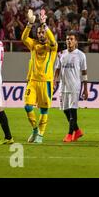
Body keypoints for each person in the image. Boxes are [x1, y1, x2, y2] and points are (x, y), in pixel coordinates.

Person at [21, 9, 58, 144]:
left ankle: (41, 135)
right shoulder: (33, 45)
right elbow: (24, 38)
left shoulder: (51, 47)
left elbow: (53, 41)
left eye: (42, 32)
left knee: (44, 110)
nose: (41, 34)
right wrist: (29, 25)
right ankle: (35, 129)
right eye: (39, 33)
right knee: (28, 107)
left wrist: (45, 25)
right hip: (33, 81)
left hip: (46, 82)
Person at [54, 32, 88, 142]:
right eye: (67, 39)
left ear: (76, 41)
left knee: (73, 111)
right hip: (63, 86)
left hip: (75, 86)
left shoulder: (81, 55)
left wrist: (86, 88)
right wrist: (54, 80)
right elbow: (57, 69)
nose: (69, 41)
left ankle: (69, 134)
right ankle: (77, 130)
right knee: (65, 110)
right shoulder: (61, 54)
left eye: (71, 39)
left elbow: (84, 72)